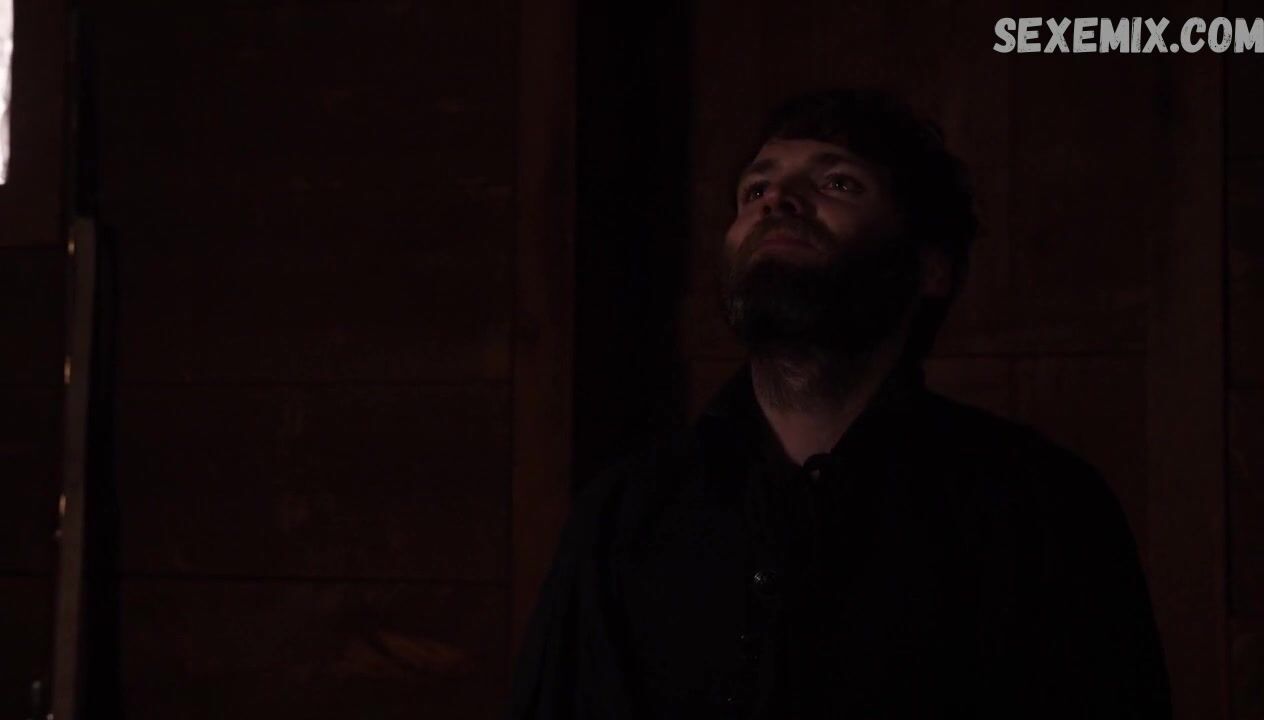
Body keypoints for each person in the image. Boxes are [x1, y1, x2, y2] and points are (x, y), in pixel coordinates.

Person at [507, 88, 1171, 719]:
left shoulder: (1039, 510)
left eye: (838, 183)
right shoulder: (622, 517)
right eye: (755, 189)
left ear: (930, 267)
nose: (777, 200)